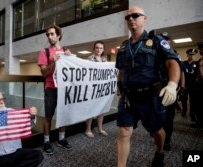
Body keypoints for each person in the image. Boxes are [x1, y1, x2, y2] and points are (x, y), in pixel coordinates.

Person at [115, 6, 181, 167]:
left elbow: (172, 63)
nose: (131, 19)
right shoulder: (123, 47)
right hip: (128, 97)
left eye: (135, 15)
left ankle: (159, 153)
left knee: (157, 130)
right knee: (124, 131)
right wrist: (119, 86)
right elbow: (121, 70)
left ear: (145, 19)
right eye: (127, 17)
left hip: (150, 97)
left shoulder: (157, 41)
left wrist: (172, 85)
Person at [37, 25, 72, 154]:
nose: (49, 37)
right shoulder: (44, 52)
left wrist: (69, 57)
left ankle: (62, 139)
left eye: (52, 34)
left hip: (64, 89)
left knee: (64, 115)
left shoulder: (66, 51)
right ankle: (46, 141)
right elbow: (44, 73)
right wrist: (52, 61)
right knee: (48, 116)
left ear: (58, 35)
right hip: (50, 88)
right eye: (48, 34)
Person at [84, 41, 109, 138]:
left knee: (101, 109)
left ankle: (100, 128)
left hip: (102, 88)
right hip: (92, 88)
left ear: (103, 49)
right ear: (94, 49)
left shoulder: (104, 60)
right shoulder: (89, 59)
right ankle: (88, 129)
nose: (99, 50)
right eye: (97, 48)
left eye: (101, 48)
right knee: (91, 109)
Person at [182, 49, 198, 121]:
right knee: (184, 99)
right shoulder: (183, 63)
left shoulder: (196, 63)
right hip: (185, 84)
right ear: (187, 55)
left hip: (193, 85)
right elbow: (182, 74)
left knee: (193, 101)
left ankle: (192, 114)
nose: (191, 56)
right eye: (189, 54)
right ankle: (184, 110)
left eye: (192, 54)